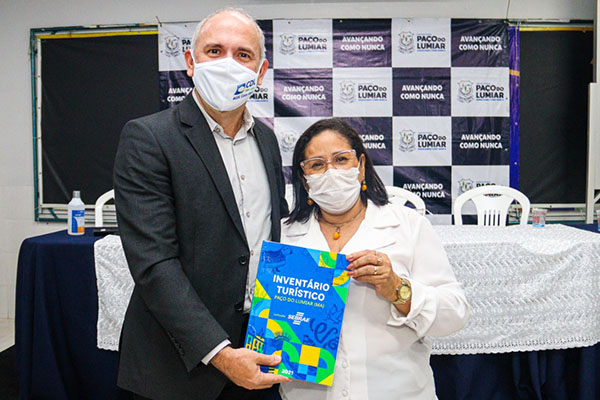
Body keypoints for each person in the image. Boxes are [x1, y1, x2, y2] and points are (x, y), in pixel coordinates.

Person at [113, 8, 290, 400]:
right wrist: (220, 353)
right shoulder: (149, 138)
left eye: (243, 55)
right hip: (178, 367)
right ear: (191, 63)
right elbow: (154, 264)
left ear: (260, 73)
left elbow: (271, 240)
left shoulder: (266, 140)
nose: (228, 63)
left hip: (258, 352)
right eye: (214, 51)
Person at [279, 118, 470, 400]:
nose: (331, 172)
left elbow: (455, 315)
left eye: (341, 159)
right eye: (317, 165)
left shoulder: (407, 225)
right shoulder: (283, 237)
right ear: (304, 178)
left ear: (361, 166)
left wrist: (398, 289)